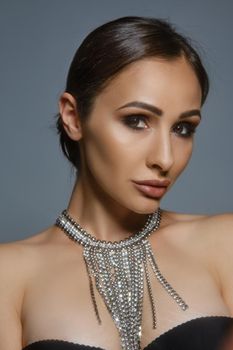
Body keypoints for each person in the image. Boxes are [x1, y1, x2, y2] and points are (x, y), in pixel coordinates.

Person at [0, 16, 233, 350]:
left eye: (183, 128)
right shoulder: (7, 276)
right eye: (136, 121)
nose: (165, 159)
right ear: (73, 117)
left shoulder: (225, 245)